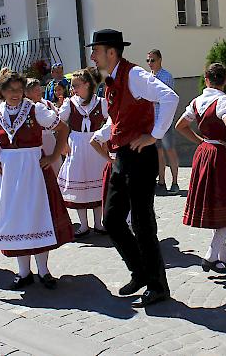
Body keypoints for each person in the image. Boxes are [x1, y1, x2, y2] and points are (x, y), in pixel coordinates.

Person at [89, 29, 179, 308]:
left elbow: (170, 98)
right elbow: (119, 118)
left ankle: (158, 286)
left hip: (140, 156)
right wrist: (103, 135)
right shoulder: (111, 80)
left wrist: (154, 134)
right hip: (123, 156)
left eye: (96, 51)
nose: (92, 56)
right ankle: (139, 271)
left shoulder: (135, 75)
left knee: (141, 223)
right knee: (112, 220)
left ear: (111, 53)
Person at [0, 71, 72, 289]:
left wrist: (54, 156)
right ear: (2, 91)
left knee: (38, 217)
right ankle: (24, 272)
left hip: (33, 170)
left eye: (19, 89)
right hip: (8, 174)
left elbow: (63, 128)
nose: (15, 94)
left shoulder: (35, 110)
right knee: (17, 221)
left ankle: (44, 271)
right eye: (10, 90)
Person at [175, 63, 226, 272]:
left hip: (204, 154)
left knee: (219, 207)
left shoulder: (197, 102)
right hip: (221, 155)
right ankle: (211, 255)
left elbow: (180, 126)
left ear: (206, 79)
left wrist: (199, 140)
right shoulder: (223, 101)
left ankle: (224, 258)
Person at [57, 68, 108, 238]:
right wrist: (62, 142)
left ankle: (98, 223)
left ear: (87, 84)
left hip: (96, 145)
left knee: (97, 182)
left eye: (76, 85)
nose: (73, 89)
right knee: (79, 182)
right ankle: (84, 225)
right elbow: (58, 122)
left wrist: (106, 138)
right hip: (76, 144)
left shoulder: (101, 102)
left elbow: (113, 121)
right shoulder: (70, 103)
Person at [147, 49, 180, 195]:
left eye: (152, 60)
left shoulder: (166, 76)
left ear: (160, 60)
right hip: (152, 121)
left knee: (169, 150)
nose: (150, 63)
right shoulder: (148, 77)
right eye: (148, 61)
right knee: (157, 152)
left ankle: (175, 182)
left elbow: (164, 97)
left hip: (164, 120)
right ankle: (161, 181)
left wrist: (149, 97)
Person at [25, 78, 64, 174]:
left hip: (49, 140)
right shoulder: (25, 108)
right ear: (27, 93)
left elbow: (60, 122)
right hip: (34, 142)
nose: (39, 92)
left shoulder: (48, 104)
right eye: (35, 90)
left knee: (55, 169)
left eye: (39, 89)